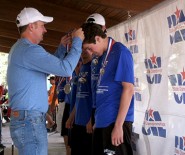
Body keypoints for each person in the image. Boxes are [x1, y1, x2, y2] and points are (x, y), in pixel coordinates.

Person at [7, 7, 84, 155]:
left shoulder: (20, 49)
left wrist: (62, 49)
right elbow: (66, 68)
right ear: (31, 26)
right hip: (29, 121)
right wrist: (78, 41)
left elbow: (47, 67)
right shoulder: (29, 50)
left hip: (25, 120)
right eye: (42, 25)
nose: (45, 30)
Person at [82, 23, 134, 155]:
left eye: (89, 48)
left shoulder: (121, 52)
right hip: (102, 122)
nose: (89, 53)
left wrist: (118, 126)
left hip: (115, 123)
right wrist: (97, 120)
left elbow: (128, 89)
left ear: (98, 38)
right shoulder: (102, 56)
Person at [66, 46, 93, 155]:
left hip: (88, 124)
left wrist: (91, 119)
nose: (84, 52)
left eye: (88, 49)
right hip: (78, 122)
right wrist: (71, 117)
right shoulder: (82, 69)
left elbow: (97, 99)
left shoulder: (94, 68)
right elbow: (79, 98)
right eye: (81, 50)